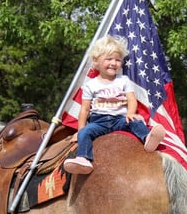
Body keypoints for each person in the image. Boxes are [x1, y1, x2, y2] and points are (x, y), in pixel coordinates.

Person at [64, 35, 165, 175]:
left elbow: (131, 100)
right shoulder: (90, 85)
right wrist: (80, 130)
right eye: (109, 59)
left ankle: (147, 138)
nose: (114, 63)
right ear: (96, 61)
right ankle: (83, 158)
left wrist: (130, 113)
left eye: (117, 60)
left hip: (119, 119)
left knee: (135, 121)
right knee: (85, 133)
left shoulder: (123, 80)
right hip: (99, 121)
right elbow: (85, 109)